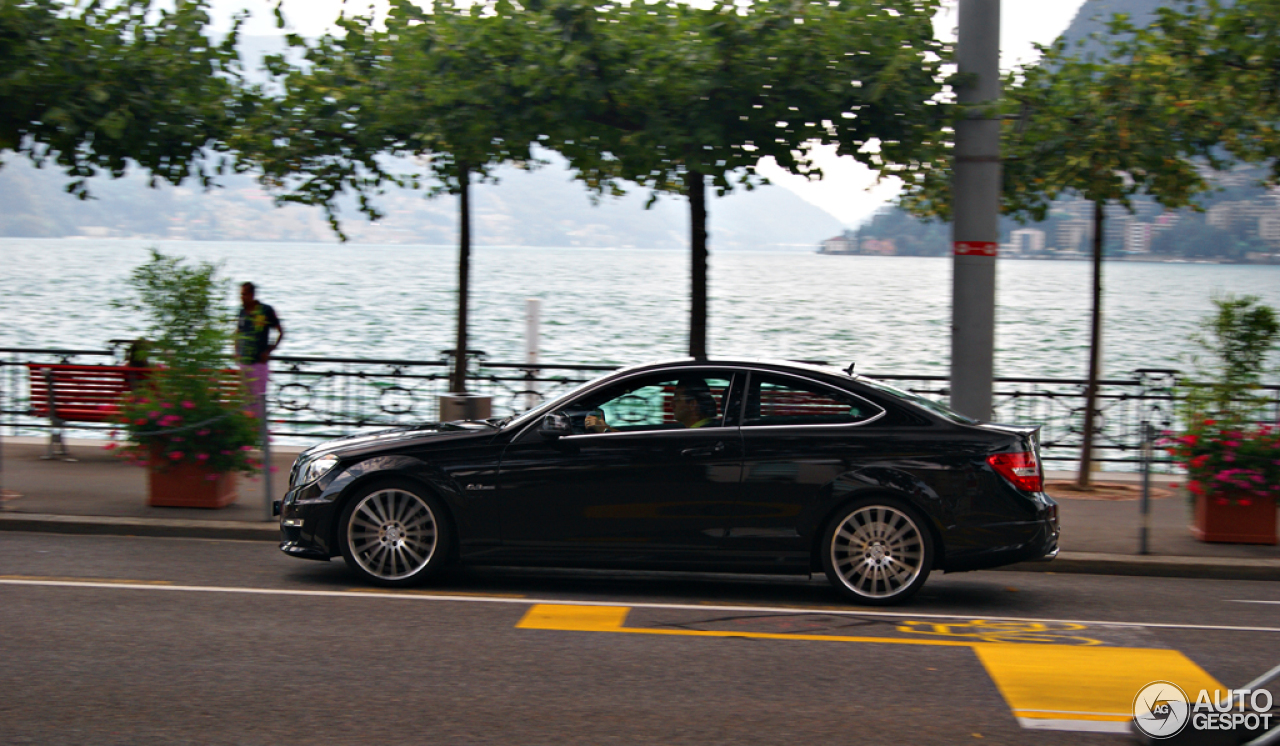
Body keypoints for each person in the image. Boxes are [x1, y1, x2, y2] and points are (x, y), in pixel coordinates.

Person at [235, 282, 284, 418]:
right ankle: (249, 429)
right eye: (241, 294)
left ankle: (258, 430)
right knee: (246, 400)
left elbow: (281, 332)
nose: (241, 297)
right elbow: (238, 333)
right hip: (245, 362)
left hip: (259, 363)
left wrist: (269, 351)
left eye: (244, 294)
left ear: (251, 295)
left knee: (259, 399)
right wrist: (236, 352)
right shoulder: (242, 312)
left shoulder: (266, 310)